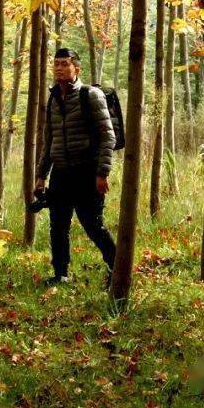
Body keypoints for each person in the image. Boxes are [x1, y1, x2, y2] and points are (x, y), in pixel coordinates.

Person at [34, 46, 117, 288]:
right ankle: (60, 274)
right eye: (56, 63)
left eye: (64, 63)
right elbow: (49, 140)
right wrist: (41, 176)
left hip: (87, 171)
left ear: (76, 68)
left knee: (93, 224)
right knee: (58, 225)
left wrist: (102, 174)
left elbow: (107, 137)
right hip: (61, 172)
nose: (59, 68)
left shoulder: (90, 96)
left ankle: (117, 269)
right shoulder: (52, 98)